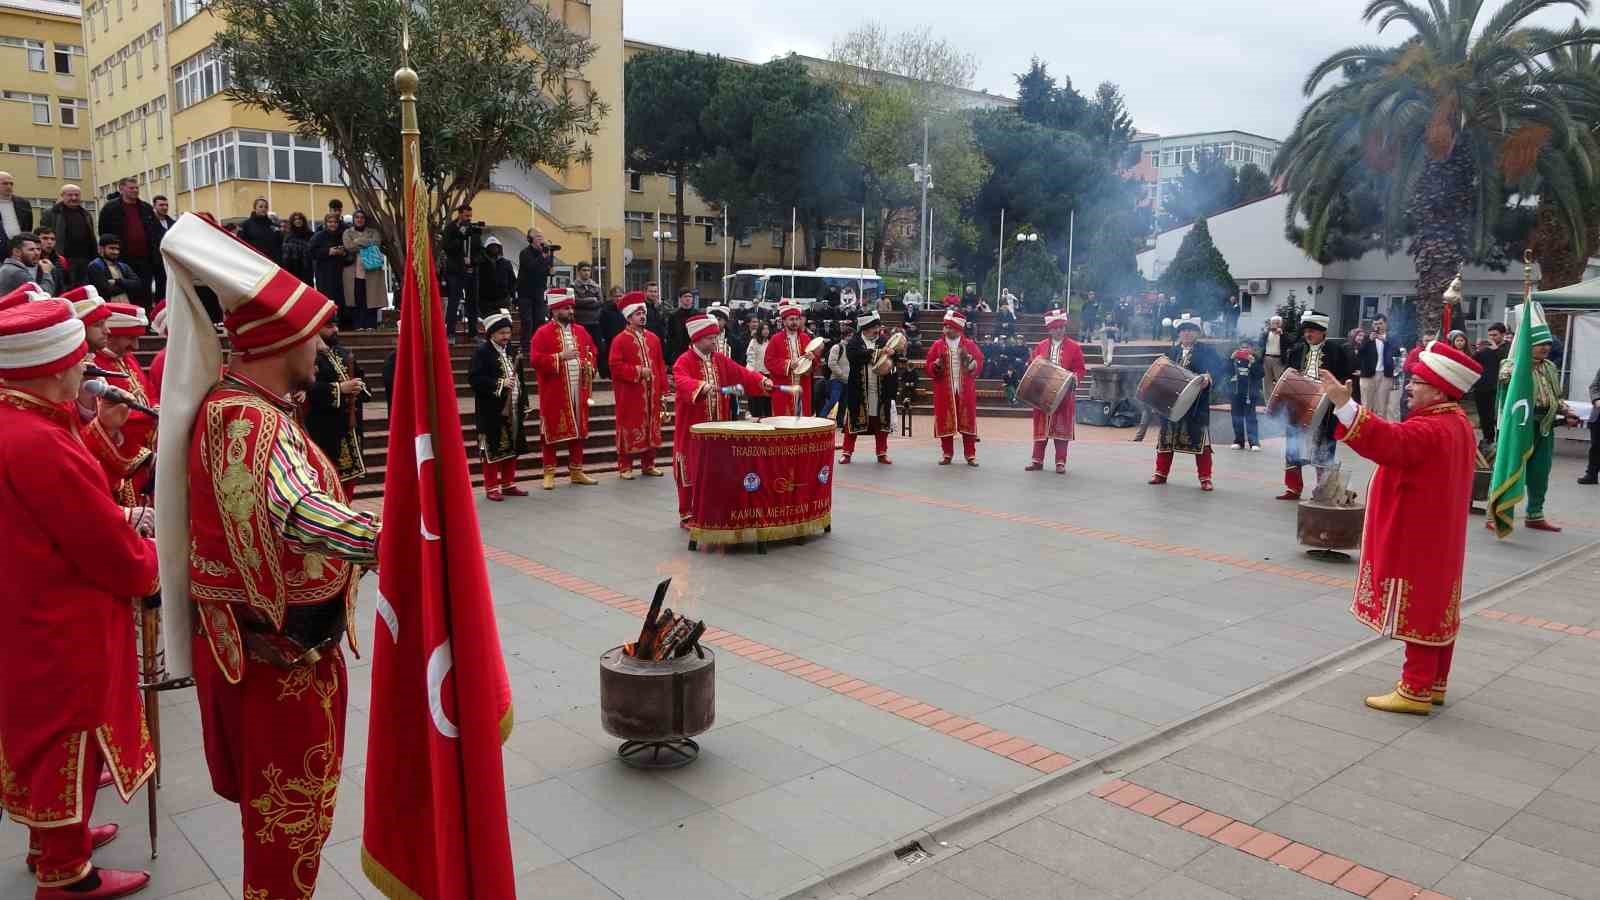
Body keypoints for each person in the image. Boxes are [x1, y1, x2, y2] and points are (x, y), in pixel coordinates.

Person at [157, 213, 381, 900]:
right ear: (283, 338)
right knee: (287, 831)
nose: (319, 343)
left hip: (278, 653)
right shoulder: (249, 416)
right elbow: (296, 510)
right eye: (311, 332)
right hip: (280, 662)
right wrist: (388, 540)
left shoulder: (243, 405)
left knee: (287, 825)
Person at [0, 299, 160, 900]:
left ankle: (53, 842)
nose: (86, 367)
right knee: (69, 738)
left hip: (29, 610)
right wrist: (151, 562)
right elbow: (102, 546)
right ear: (51, 366)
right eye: (76, 358)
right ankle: (67, 876)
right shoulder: (39, 441)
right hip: (61, 619)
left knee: (44, 734)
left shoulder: (22, 419)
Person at [1319, 344, 1479, 714]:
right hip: (1439, 533)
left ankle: (1415, 689)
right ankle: (1434, 683)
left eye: (1418, 382)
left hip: (1416, 534)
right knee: (1438, 604)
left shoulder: (1432, 427)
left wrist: (1345, 405)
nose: (1409, 386)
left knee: (1419, 605)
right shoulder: (1457, 422)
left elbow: (1391, 443)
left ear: (1438, 391)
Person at [671, 313, 771, 526]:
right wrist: (700, 386)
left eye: (715, 337)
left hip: (718, 428)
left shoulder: (720, 359)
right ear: (697, 339)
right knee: (690, 467)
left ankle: (713, 509)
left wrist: (761, 381)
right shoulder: (683, 361)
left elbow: (741, 373)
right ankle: (687, 513)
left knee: (717, 469)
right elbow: (681, 380)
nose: (714, 342)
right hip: (692, 430)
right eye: (710, 338)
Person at [1498, 316, 1572, 532]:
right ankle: (1499, 515)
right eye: (1540, 343)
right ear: (1527, 345)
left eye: (1548, 343)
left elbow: (1555, 395)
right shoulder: (1512, 364)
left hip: (1545, 425)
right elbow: (1505, 378)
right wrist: (1520, 363)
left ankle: (1535, 514)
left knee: (1540, 471)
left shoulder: (1550, 367)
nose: (1545, 348)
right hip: (1520, 426)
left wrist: (1565, 410)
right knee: (1512, 469)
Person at [1279, 312, 1354, 500]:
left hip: (1325, 408)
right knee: (1293, 447)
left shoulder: (1337, 351)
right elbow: (1288, 374)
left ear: (1323, 332)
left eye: (1312, 331)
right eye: (1306, 331)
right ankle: (1293, 487)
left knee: (1323, 448)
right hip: (1299, 406)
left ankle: (1323, 490)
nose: (1308, 334)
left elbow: (1345, 378)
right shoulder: (1297, 350)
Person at [530, 288, 598, 489]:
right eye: (566, 308)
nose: (571, 312)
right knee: (551, 431)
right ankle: (549, 472)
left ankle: (576, 470)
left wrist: (590, 365)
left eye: (571, 308)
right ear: (555, 310)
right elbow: (535, 360)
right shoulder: (542, 333)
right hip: (555, 391)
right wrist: (560, 357)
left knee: (578, 431)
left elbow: (592, 351)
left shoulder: (581, 331)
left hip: (579, 389)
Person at [91, 302, 158, 497]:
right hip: (122, 458)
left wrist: (156, 406)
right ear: (111, 335)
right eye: (130, 338)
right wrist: (152, 418)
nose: (135, 346)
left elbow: (149, 391)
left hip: (144, 452)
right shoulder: (94, 366)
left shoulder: (127, 358)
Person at [1149, 315, 1223, 490]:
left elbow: (1219, 369)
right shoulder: (1172, 352)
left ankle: (1205, 478)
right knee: (1166, 439)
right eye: (1183, 330)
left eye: (1190, 330)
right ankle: (1160, 473)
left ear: (1197, 333)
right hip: (1171, 403)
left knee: (1202, 442)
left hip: (1196, 405)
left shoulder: (1207, 351)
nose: (1187, 333)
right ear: (1179, 333)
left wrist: (1208, 377)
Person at [469, 310, 530, 500]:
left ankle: (508, 483)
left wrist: (524, 403)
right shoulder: (482, 353)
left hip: (513, 407)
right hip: (491, 410)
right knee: (492, 448)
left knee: (512, 445)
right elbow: (475, 379)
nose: (506, 336)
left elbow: (520, 379)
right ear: (491, 334)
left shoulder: (511, 350)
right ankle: (491, 487)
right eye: (502, 333)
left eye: (508, 332)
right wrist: (501, 384)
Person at [607, 292, 668, 479]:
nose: (642, 317)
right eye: (638, 314)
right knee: (629, 425)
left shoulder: (653, 338)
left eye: (643, 313)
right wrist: (638, 371)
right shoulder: (620, 339)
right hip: (630, 393)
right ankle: (625, 466)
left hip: (652, 393)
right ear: (628, 317)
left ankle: (648, 464)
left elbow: (660, 365)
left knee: (651, 427)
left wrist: (663, 390)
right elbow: (615, 366)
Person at [303, 320, 367, 489]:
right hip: (325, 428)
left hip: (350, 427)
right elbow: (305, 388)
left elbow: (360, 377)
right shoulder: (308, 355)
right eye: (330, 326)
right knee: (326, 479)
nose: (336, 330)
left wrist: (358, 387)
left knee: (348, 484)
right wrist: (339, 389)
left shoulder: (344, 353)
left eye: (336, 325)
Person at [1027, 310, 1088, 473]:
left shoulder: (1074, 347)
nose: (1059, 330)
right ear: (1050, 329)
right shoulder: (1041, 346)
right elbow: (1033, 364)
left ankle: (1060, 462)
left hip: (1064, 395)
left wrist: (1074, 379)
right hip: (1042, 394)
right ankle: (1037, 460)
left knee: (1061, 429)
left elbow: (1080, 368)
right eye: (1056, 328)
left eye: (1062, 327)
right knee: (1041, 427)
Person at [926, 309, 984, 466]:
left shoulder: (969, 344)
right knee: (945, 420)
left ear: (958, 329)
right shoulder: (937, 345)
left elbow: (979, 361)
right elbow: (928, 365)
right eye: (945, 326)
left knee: (968, 420)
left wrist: (973, 364)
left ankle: (970, 454)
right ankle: (947, 453)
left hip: (965, 389)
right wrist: (935, 365)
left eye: (948, 327)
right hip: (944, 389)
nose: (945, 329)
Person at [95, 178, 161, 309]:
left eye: (137, 188)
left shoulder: (146, 208)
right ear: (121, 189)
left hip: (145, 259)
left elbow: (155, 231)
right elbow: (103, 232)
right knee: (125, 291)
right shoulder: (110, 209)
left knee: (145, 291)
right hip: (122, 260)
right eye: (131, 188)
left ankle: (145, 318)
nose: (135, 190)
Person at [841, 312, 897, 465]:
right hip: (859, 390)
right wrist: (878, 353)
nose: (878, 330)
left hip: (881, 390)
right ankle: (847, 452)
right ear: (865, 328)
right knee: (852, 421)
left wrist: (893, 353)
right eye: (874, 327)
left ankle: (882, 453)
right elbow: (854, 357)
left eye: (878, 327)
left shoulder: (884, 340)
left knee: (881, 423)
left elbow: (894, 358)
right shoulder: (855, 342)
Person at [766, 302, 819, 417]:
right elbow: (769, 362)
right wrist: (788, 364)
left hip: (802, 386)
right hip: (783, 386)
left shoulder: (806, 338)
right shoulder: (775, 339)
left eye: (797, 319)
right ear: (784, 321)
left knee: (802, 419)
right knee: (784, 420)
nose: (795, 322)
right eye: (791, 319)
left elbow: (814, 364)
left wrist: (812, 359)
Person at [41, 184, 97, 284]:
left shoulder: (86, 214)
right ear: (62, 196)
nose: (74, 198)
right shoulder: (52, 213)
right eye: (70, 195)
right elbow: (44, 236)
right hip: (64, 259)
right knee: (66, 286)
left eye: (77, 195)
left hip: (85, 259)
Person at [441, 204, 482, 338]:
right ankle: (450, 333)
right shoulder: (450, 228)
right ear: (459, 214)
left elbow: (479, 250)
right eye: (466, 216)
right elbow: (447, 247)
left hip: (471, 270)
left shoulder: (473, 229)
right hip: (456, 271)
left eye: (470, 216)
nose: (468, 218)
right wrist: (461, 234)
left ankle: (473, 333)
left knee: (473, 302)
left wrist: (473, 261)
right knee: (454, 301)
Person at [341, 209, 386, 331]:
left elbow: (376, 243)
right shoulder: (347, 232)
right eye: (357, 217)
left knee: (371, 299)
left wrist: (357, 241)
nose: (359, 219)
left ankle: (371, 325)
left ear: (365, 220)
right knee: (357, 299)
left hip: (371, 270)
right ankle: (358, 325)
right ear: (354, 219)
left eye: (362, 217)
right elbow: (349, 246)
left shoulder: (373, 232)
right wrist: (367, 242)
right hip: (354, 271)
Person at [516, 229, 554, 355]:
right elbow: (532, 267)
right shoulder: (525, 253)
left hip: (539, 291)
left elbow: (546, 269)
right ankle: (525, 347)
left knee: (540, 319)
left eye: (541, 236)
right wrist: (543, 257)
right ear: (530, 239)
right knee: (527, 321)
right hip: (525, 292)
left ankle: (538, 345)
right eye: (538, 237)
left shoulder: (545, 253)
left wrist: (550, 269)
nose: (541, 239)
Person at [309, 212, 350, 326]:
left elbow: (350, 254)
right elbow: (311, 252)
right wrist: (329, 252)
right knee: (326, 298)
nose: (333, 224)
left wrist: (343, 253)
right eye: (330, 222)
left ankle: (341, 323)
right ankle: (326, 323)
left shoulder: (342, 235)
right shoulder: (318, 236)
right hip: (324, 273)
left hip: (341, 272)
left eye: (335, 222)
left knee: (341, 298)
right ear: (326, 223)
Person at [86, 235, 148, 310]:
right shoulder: (95, 266)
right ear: (101, 249)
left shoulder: (123, 266)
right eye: (112, 248)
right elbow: (106, 290)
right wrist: (128, 286)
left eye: (117, 249)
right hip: (107, 309)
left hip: (128, 307)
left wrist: (117, 281)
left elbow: (138, 284)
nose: (116, 252)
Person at [1356, 313, 1399, 419]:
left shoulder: (1391, 338)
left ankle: (1379, 427)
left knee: (1381, 405)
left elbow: (1397, 352)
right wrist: (1368, 341)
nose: (1378, 326)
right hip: (1368, 374)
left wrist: (1385, 341)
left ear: (1386, 324)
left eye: (1380, 323)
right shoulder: (1366, 337)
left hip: (1385, 375)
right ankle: (1366, 426)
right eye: (1375, 324)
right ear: (1372, 325)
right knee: (1366, 405)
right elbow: (1359, 354)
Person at [1472, 322, 1510, 443]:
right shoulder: (1485, 348)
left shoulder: (1509, 348)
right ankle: (1488, 440)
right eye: (1490, 335)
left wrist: (1496, 350)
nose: (1492, 338)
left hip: (1500, 387)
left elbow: (1508, 362)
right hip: (1483, 388)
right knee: (1485, 416)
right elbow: (1473, 360)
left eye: (1495, 335)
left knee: (1499, 416)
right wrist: (1478, 349)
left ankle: (1501, 441)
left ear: (1503, 334)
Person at [1228, 339, 1263, 451]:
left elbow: (1260, 374)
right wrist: (1231, 359)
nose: (1244, 350)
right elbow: (1225, 371)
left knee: (1250, 418)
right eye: (1242, 347)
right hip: (1236, 392)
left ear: (1252, 349)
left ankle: (1254, 442)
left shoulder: (1256, 360)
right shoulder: (1235, 359)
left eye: (1247, 347)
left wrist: (1253, 363)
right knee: (1236, 417)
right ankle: (1239, 441)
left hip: (1250, 394)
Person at [479, 237, 516, 327]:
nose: (494, 249)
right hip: (486, 302)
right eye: (491, 247)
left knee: (504, 324)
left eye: (496, 246)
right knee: (489, 325)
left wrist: (512, 296)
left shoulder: (506, 263)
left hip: (503, 300)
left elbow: (512, 281)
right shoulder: (481, 264)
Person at [822, 321, 853, 421]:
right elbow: (831, 363)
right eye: (851, 336)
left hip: (848, 381)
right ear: (846, 336)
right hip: (837, 380)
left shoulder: (852, 348)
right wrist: (841, 374)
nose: (853, 338)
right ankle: (821, 419)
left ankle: (839, 423)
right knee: (832, 401)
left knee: (843, 403)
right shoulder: (837, 347)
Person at [238, 197, 282, 263]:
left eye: (266, 207)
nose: (264, 209)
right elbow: (241, 244)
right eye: (261, 207)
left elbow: (278, 245)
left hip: (271, 262)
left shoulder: (272, 225)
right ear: (255, 208)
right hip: (254, 261)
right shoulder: (247, 224)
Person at [571, 260, 604, 350]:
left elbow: (600, 302)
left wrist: (585, 303)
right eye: (584, 270)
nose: (586, 273)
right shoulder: (573, 286)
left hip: (594, 322)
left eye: (588, 270)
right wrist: (591, 299)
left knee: (598, 348)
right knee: (580, 347)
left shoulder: (596, 286)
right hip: (580, 322)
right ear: (579, 271)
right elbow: (575, 302)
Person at [597, 285, 628, 379]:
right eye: (616, 296)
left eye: (620, 296)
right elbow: (601, 326)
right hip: (610, 340)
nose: (618, 298)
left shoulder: (627, 310)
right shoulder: (605, 311)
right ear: (611, 297)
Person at [744, 317, 772, 418]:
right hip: (757, 375)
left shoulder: (770, 342)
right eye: (764, 329)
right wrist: (753, 374)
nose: (766, 331)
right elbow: (750, 359)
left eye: (767, 329)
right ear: (760, 330)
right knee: (757, 402)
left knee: (767, 403)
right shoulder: (754, 342)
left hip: (768, 375)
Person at [0, 170, 34, 248]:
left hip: (20, 246)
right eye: (5, 183)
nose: (9, 186)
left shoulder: (23, 203)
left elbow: (28, 226)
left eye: (11, 184)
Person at [279, 212, 314, 286]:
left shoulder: (311, 234)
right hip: (293, 267)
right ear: (292, 222)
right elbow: (284, 254)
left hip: (307, 267)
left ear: (303, 221)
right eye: (295, 219)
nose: (298, 221)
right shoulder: (288, 236)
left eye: (300, 219)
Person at [664, 287, 698, 364]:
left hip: (694, 350)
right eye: (685, 296)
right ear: (680, 299)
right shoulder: (673, 316)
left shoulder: (698, 314)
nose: (688, 299)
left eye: (690, 296)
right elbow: (670, 337)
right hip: (678, 352)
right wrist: (668, 357)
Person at [1579, 364, 1600, 485]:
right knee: (1596, 447)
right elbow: (1594, 386)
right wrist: (1596, 399)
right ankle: (1591, 475)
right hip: (1599, 414)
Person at [1259, 315, 1288, 394]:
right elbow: (1260, 343)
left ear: (1280, 324)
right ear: (1271, 324)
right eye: (1273, 323)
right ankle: (1268, 401)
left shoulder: (1283, 334)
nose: (1275, 325)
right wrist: (1265, 332)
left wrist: (1281, 334)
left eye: (1277, 323)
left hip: (1278, 360)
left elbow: (1290, 343)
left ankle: (1280, 400)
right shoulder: (1266, 333)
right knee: (1267, 382)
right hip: (1266, 358)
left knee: (1280, 381)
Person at [35, 226, 70, 292]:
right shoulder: (31, 260)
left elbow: (67, 284)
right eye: (45, 238)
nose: (49, 242)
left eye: (52, 239)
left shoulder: (61, 260)